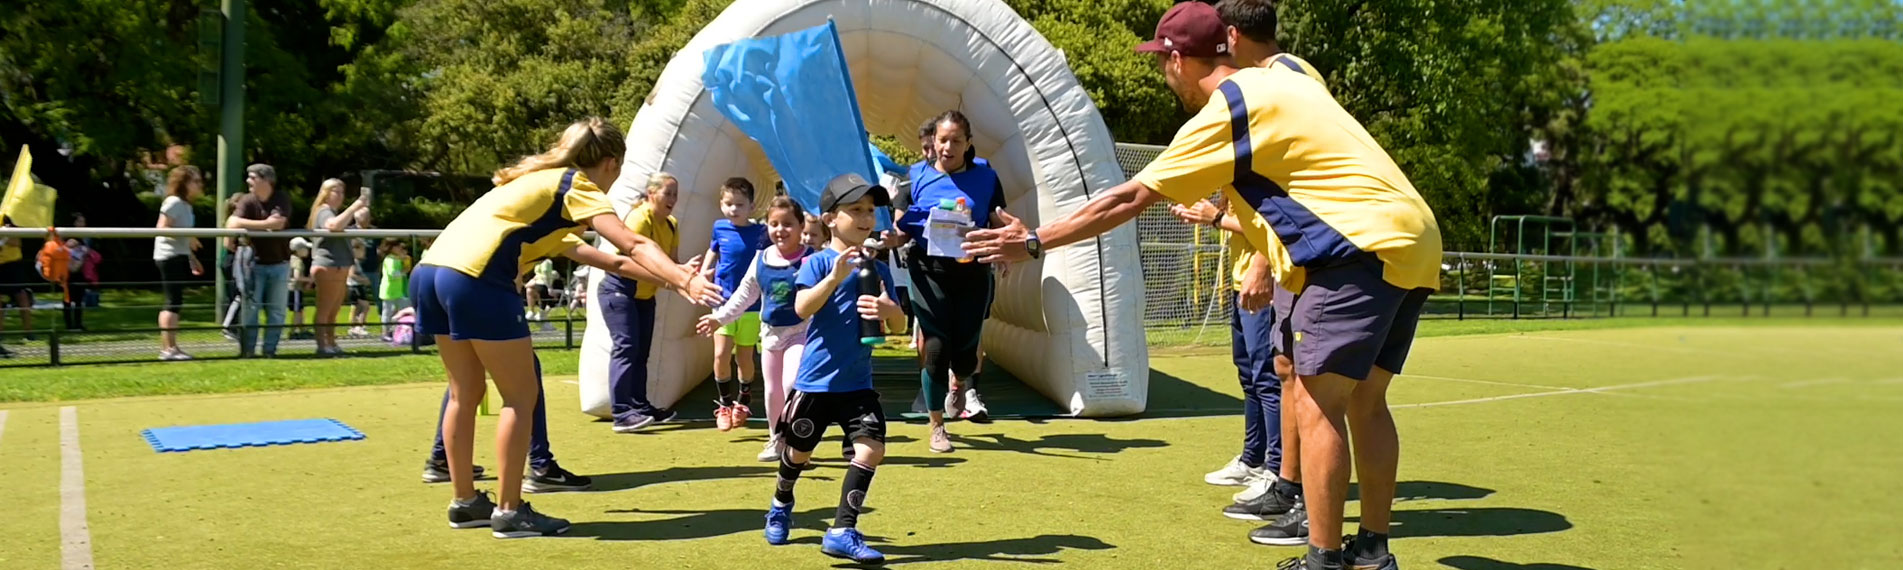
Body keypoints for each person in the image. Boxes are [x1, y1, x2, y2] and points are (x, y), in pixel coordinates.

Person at [965, 2, 1440, 567]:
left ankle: (1323, 558)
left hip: (1352, 251)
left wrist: (1037, 241)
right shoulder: (1286, 75)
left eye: (1162, 62)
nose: (1164, 75)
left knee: (1317, 407)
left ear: (1177, 59)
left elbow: (1129, 198)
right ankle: (1373, 552)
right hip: (1415, 238)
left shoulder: (1228, 110)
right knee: (1367, 402)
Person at [419, 118, 723, 538]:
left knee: (465, 392)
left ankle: (466, 503)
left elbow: (615, 262)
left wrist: (671, 276)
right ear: (612, 163)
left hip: (432, 272)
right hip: (477, 278)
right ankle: (509, 513)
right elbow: (632, 243)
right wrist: (685, 279)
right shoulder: (574, 185)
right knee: (519, 398)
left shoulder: (535, 189)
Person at [761, 173, 905, 564]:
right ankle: (780, 502)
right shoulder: (817, 261)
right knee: (797, 455)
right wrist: (833, 278)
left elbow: (898, 325)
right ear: (829, 219)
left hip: (857, 385)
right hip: (816, 384)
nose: (865, 217)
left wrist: (891, 311)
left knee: (871, 448)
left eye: (871, 210)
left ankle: (842, 529)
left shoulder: (878, 267)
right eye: (855, 210)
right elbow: (801, 307)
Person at [892, 110, 1005, 453]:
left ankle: (961, 381)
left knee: (966, 357)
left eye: (956, 140)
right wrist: (885, 239)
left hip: (972, 272)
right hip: (928, 270)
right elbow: (899, 229)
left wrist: (1002, 247)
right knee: (937, 348)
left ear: (968, 144)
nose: (948, 147)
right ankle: (937, 426)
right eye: (943, 140)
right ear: (933, 142)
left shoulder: (986, 177)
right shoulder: (916, 176)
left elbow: (1000, 219)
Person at [698, 196, 813, 461]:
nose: (780, 230)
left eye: (788, 224)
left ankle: (797, 441)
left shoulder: (809, 259)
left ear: (800, 227)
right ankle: (776, 439)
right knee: (772, 390)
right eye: (774, 224)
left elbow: (828, 290)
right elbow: (744, 294)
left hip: (801, 331)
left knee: (792, 382)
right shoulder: (761, 259)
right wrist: (720, 318)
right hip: (771, 334)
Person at [604, 172, 684, 433]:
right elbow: (629, 263)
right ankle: (621, 412)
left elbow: (671, 264)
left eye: (675, 193)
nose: (672, 198)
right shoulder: (640, 218)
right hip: (620, 289)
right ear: (652, 194)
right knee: (626, 347)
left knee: (641, 353)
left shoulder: (671, 224)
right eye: (667, 193)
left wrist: (687, 273)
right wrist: (671, 280)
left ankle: (639, 406)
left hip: (646, 296)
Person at [701, 177, 768, 430]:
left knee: (744, 358)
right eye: (729, 204)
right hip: (721, 302)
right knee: (720, 354)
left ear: (752, 206)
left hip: (749, 306)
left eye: (740, 204)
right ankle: (724, 405)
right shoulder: (719, 227)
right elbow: (713, 250)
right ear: (721, 204)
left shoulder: (761, 233)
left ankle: (743, 400)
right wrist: (703, 272)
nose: (734, 209)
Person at [226, 164, 294, 358]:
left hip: (280, 264)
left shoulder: (281, 198)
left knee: (277, 312)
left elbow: (279, 223)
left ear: (266, 180)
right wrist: (265, 225)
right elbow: (231, 223)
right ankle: (248, 352)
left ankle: (269, 352)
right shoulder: (247, 200)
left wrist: (247, 225)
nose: (248, 181)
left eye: (253, 177)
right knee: (250, 311)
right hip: (253, 265)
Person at [308, 179, 370, 355]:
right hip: (328, 266)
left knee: (333, 311)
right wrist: (355, 206)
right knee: (325, 309)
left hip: (339, 266)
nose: (340, 195)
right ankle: (322, 345)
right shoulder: (324, 211)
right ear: (325, 193)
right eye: (336, 191)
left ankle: (331, 343)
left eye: (342, 192)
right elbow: (333, 226)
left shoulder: (333, 212)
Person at [155, 165, 205, 361]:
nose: (200, 185)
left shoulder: (186, 206)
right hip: (168, 256)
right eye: (196, 181)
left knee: (174, 301)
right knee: (172, 302)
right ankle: (169, 349)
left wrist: (192, 258)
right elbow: (161, 228)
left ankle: (171, 347)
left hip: (178, 255)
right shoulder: (173, 202)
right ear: (184, 182)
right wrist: (189, 236)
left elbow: (183, 237)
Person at [378, 238, 412, 339]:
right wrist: (404, 271)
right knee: (388, 312)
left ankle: (402, 332)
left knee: (404, 310)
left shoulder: (398, 258)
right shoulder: (389, 260)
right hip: (389, 290)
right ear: (391, 248)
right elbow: (393, 274)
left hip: (399, 290)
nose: (400, 248)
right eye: (397, 247)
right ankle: (385, 333)